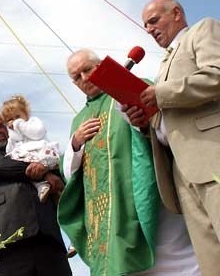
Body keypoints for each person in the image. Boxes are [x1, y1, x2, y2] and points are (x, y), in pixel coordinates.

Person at [60, 48, 199, 275]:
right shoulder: (79, 120)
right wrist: (75, 143)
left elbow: (164, 127)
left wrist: (140, 122)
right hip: (104, 213)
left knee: (168, 259)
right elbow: (68, 172)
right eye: (76, 77)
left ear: (100, 66)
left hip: (142, 194)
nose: (84, 78)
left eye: (87, 69)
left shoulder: (133, 86)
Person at [123, 0, 220, 275]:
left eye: (154, 21)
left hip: (211, 157)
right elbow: (168, 115)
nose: (150, 29)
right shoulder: (163, 65)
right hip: (181, 172)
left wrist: (160, 94)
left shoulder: (203, 31)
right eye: (146, 26)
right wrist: (144, 121)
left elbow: (217, 74)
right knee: (210, 259)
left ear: (176, 13)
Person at [0, 111, 71, 276]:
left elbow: (61, 174)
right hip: (8, 244)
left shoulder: (31, 149)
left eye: (1, 126)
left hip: (49, 241)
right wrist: (42, 171)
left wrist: (46, 167)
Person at [0, 95, 60, 203]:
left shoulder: (33, 122)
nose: (14, 121)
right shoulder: (13, 133)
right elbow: (10, 149)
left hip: (41, 151)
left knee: (45, 162)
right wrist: (11, 137)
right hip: (27, 158)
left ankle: (52, 187)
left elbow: (37, 133)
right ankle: (41, 185)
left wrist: (19, 124)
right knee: (25, 169)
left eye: (17, 116)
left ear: (26, 114)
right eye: (10, 119)